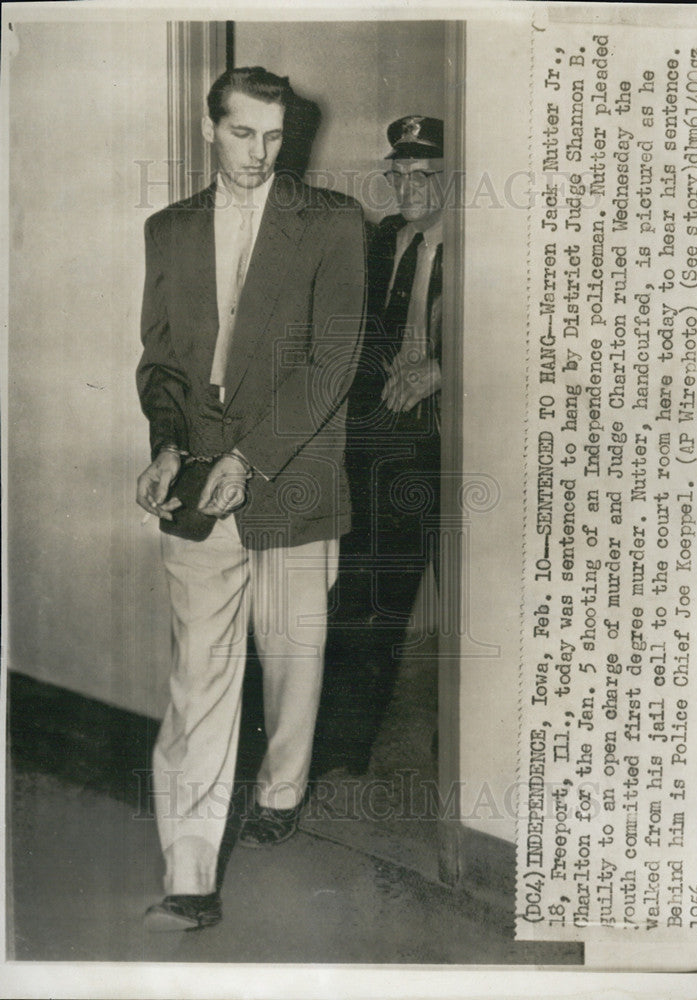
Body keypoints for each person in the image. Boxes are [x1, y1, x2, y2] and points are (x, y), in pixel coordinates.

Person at [136, 66, 365, 931]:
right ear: (210, 127)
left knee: (294, 651)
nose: (259, 155)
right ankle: (189, 877)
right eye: (242, 134)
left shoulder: (333, 223)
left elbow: (332, 361)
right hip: (197, 480)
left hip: (295, 473)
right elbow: (160, 365)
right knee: (198, 674)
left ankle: (280, 789)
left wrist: (252, 459)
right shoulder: (168, 230)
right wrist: (166, 443)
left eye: (274, 138)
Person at [316, 115, 444, 776]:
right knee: (358, 589)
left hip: (439, 448)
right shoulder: (384, 238)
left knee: (398, 591)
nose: (408, 188)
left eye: (424, 175)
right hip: (368, 440)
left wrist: (445, 369)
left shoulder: (488, 248)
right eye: (398, 175)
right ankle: (342, 747)